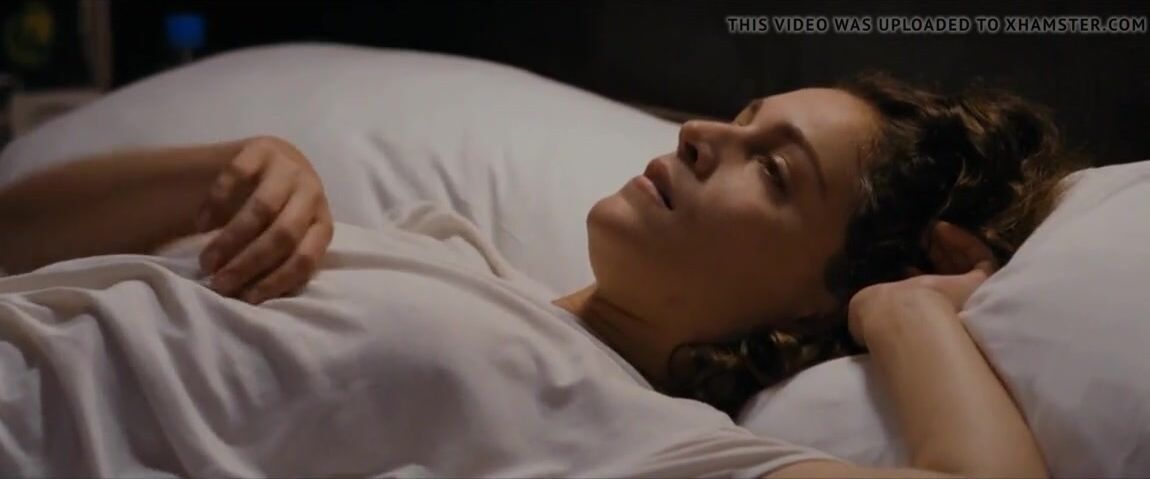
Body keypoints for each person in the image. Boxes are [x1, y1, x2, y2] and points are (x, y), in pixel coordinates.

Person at [0, 72, 1085, 477]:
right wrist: (224, 171)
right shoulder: (455, 249)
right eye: (743, 116)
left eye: (774, 169)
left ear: (823, 293)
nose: (703, 132)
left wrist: (902, 305)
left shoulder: (628, 430)